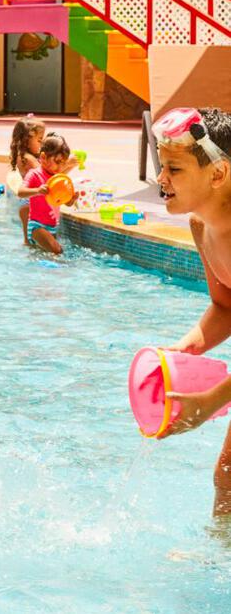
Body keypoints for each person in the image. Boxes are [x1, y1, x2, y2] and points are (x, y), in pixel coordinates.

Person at [152, 107, 231, 516]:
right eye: (161, 167)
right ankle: (220, 566)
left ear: (217, 175)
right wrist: (186, 350)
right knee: (228, 475)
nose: (161, 180)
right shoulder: (202, 225)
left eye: (175, 170)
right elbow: (225, 305)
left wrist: (209, 403)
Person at [17, 133, 77, 255]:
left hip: (52, 227)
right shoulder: (34, 174)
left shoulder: (58, 179)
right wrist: (37, 190)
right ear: (43, 157)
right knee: (57, 251)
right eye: (58, 161)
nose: (61, 166)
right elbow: (20, 192)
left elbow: (64, 202)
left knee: (44, 255)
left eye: (63, 163)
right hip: (37, 227)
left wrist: (71, 199)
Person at [8, 116, 46, 243]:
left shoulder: (29, 156)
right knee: (30, 242)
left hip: (29, 202)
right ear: (26, 140)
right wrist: (67, 165)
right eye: (39, 140)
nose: (42, 144)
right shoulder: (27, 158)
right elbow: (46, 176)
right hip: (29, 204)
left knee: (30, 241)